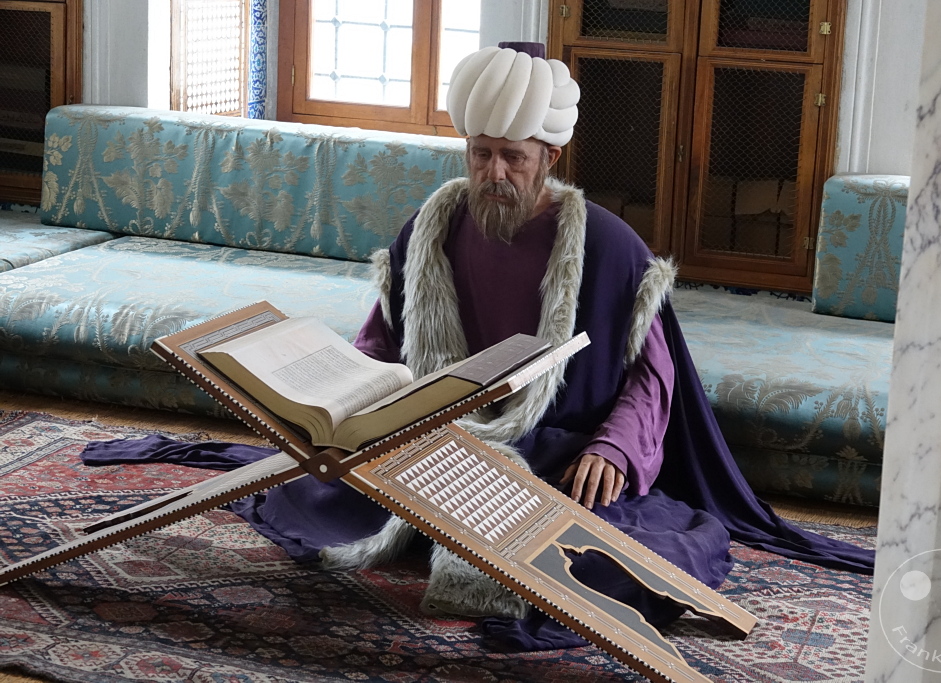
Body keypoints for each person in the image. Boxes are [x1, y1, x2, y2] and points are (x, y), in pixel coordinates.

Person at [83, 43, 872, 651]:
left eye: (513, 157)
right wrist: (345, 404)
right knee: (314, 503)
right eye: (481, 152)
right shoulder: (431, 227)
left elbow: (652, 376)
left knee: (603, 561)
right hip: (436, 436)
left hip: (556, 447)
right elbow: (380, 337)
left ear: (550, 159)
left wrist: (616, 449)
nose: (494, 173)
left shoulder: (609, 244)